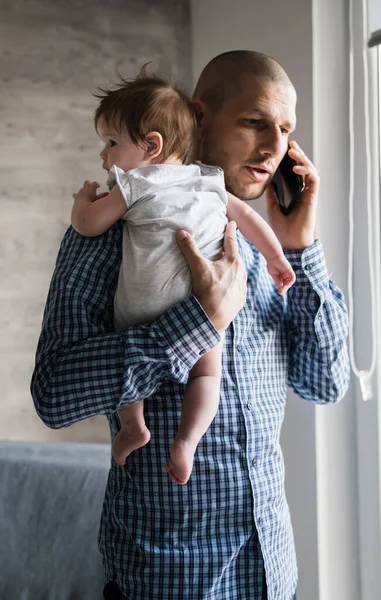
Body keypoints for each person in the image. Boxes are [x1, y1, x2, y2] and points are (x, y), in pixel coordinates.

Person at [31, 51, 350, 600]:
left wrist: (300, 251)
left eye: (286, 130)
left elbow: (325, 382)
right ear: (198, 120)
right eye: (255, 123)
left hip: (273, 575)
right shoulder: (115, 229)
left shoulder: (271, 252)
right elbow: (54, 394)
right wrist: (196, 323)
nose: (274, 148)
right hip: (165, 581)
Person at [71, 71, 295, 484]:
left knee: (136, 391)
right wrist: (279, 258)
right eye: (254, 122)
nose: (104, 156)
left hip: (141, 308)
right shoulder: (206, 182)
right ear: (202, 120)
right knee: (207, 375)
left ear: (152, 145)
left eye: (111, 143)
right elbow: (245, 216)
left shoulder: (133, 184)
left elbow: (88, 223)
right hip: (196, 320)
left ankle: (133, 425)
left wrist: (83, 201)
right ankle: (187, 441)